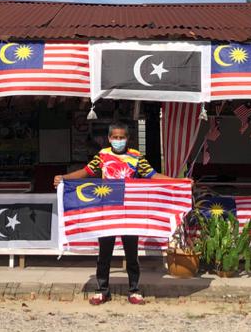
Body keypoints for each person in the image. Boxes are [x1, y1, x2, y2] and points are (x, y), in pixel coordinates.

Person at [53, 120, 171, 306]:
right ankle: (102, 290)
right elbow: (86, 172)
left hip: (129, 211)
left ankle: (134, 290)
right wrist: (64, 178)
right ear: (109, 138)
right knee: (104, 253)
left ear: (127, 138)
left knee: (132, 253)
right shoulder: (103, 155)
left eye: (121, 137)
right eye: (115, 137)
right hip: (107, 210)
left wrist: (179, 182)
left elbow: (153, 175)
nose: (118, 140)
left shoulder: (136, 157)